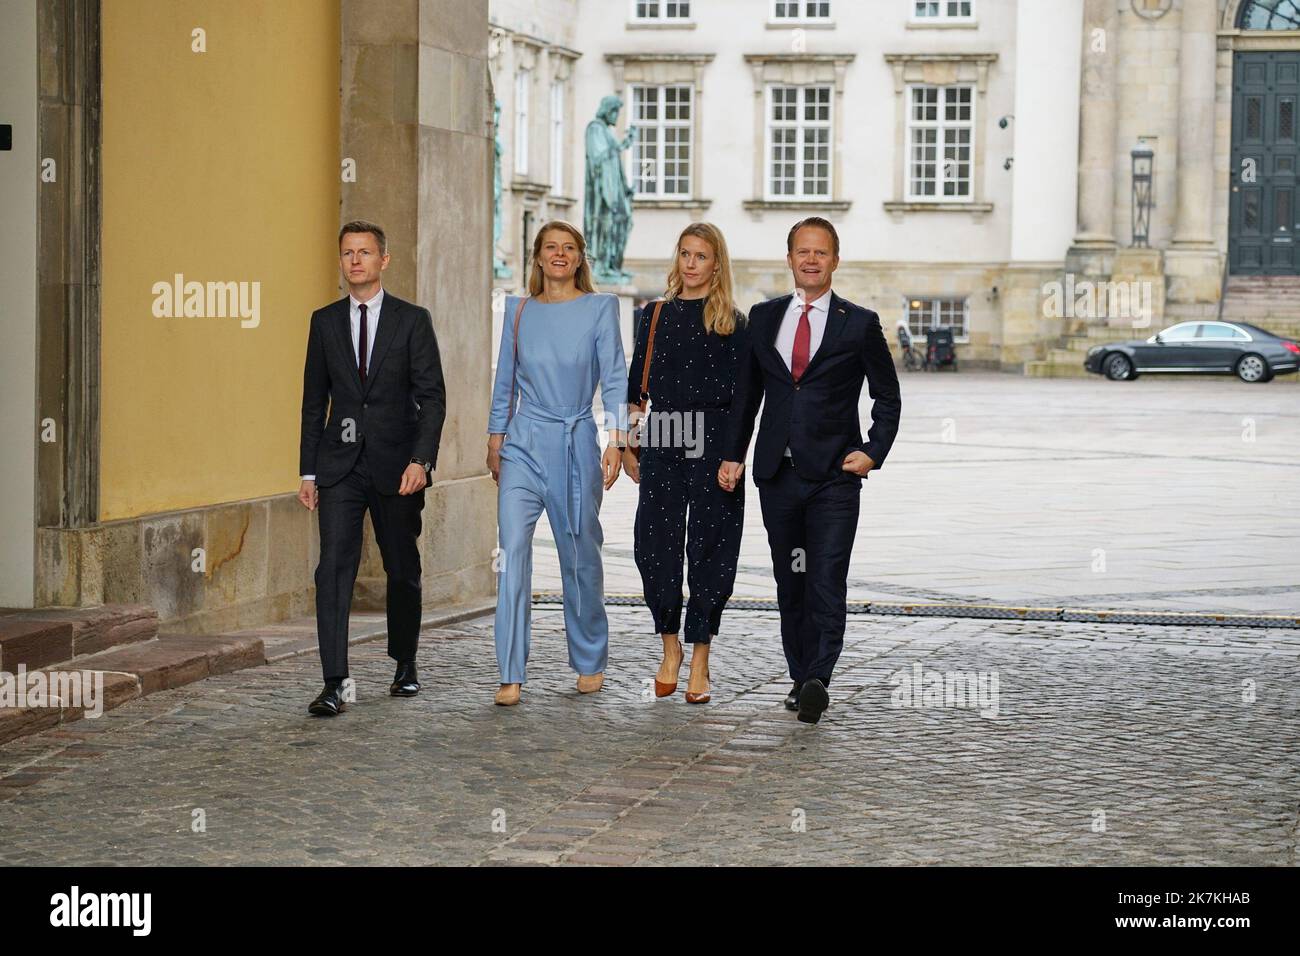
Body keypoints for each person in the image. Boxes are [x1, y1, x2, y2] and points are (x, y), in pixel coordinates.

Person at [718, 217, 901, 725]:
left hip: (834, 479)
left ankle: (820, 675)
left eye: (821, 253)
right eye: (803, 252)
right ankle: (801, 677)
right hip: (779, 475)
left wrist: (873, 450)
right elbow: (746, 397)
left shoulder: (858, 323)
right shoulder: (764, 316)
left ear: (835, 261)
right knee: (790, 578)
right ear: (791, 258)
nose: (812, 260)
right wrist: (733, 454)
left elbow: (887, 395)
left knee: (825, 577)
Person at [298, 220, 447, 717]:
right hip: (339, 468)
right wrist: (308, 472)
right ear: (340, 262)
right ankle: (334, 681)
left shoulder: (412, 320)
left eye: (364, 252)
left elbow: (432, 398)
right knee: (332, 570)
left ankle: (405, 663)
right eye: (347, 253)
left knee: (401, 568)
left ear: (384, 260)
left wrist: (421, 461)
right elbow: (313, 402)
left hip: (397, 465)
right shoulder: (323, 322)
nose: (355, 261)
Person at [486, 220, 628, 706]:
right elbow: (505, 379)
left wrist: (617, 439)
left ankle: (589, 657)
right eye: (551, 247)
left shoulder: (599, 308)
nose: (560, 255)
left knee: (579, 554)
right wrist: (494, 437)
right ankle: (510, 671)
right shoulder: (518, 311)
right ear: (538, 257)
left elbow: (614, 377)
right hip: (523, 445)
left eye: (569, 248)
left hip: (575, 442)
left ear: (580, 257)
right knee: (512, 556)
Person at [624, 223, 747, 705]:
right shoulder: (652, 315)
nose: (691, 263)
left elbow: (743, 400)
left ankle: (701, 655)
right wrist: (629, 444)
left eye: (701, 256)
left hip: (715, 436)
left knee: (711, 545)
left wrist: (735, 456)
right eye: (684, 254)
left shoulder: (735, 323)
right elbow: (636, 391)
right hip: (663, 432)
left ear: (717, 264)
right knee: (654, 542)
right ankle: (669, 647)